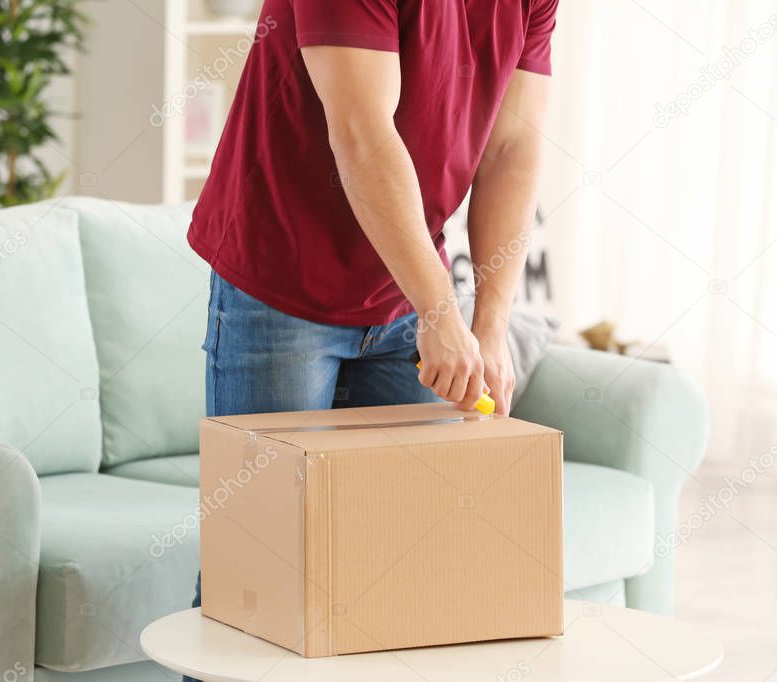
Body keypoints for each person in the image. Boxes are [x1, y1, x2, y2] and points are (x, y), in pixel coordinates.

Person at [184, 1, 557, 677]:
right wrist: (441, 314)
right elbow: (360, 132)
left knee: (404, 558)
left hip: (406, 289)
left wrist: (489, 323)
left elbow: (512, 144)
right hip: (281, 277)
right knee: (262, 568)